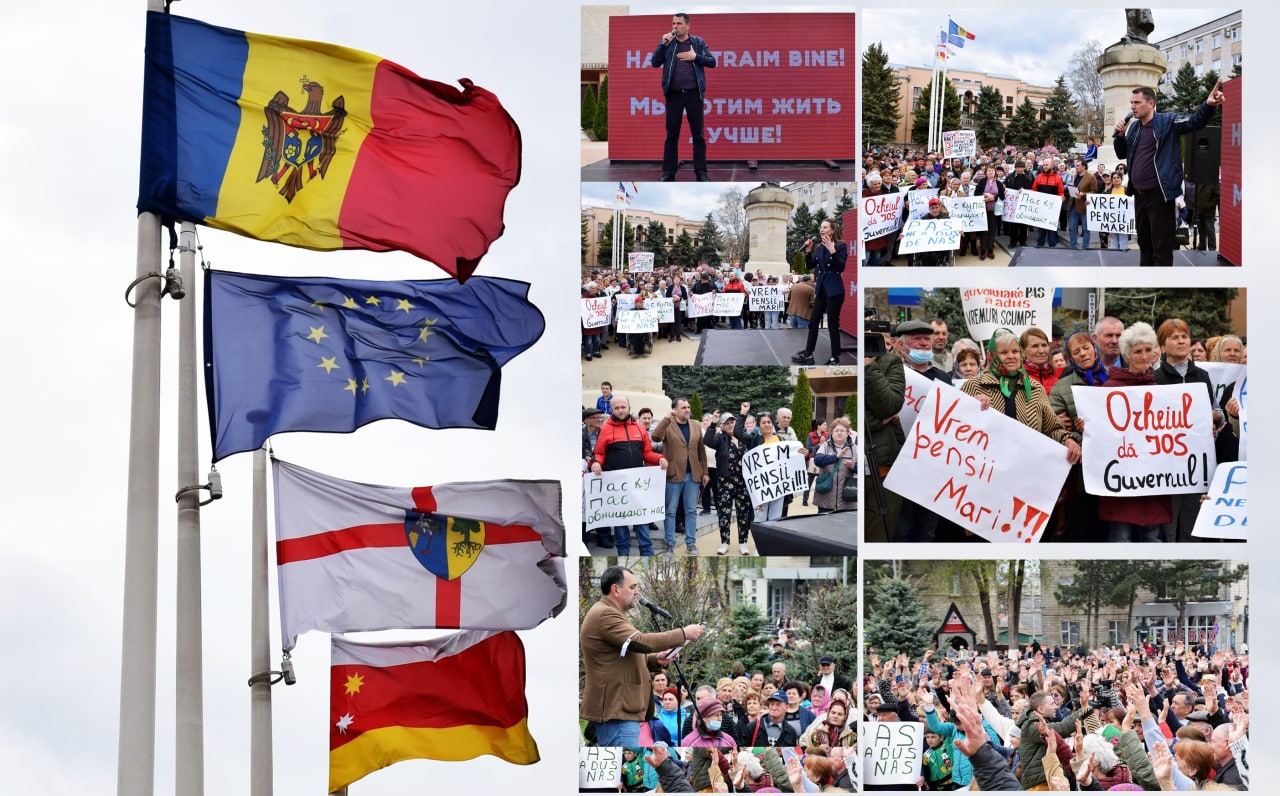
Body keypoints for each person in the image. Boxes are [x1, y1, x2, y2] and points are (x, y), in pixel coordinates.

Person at [579, 565, 704, 746]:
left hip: (621, 710)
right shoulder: (605, 614)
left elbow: (625, 654)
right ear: (615, 589)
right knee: (622, 763)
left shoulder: (612, 612)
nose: (637, 592)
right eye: (632, 587)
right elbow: (639, 641)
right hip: (617, 711)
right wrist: (682, 634)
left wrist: (656, 659)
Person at [1113, 83, 1224, 266]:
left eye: (1137, 102)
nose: (1132, 106)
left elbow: (1195, 121)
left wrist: (1209, 105)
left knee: (1161, 246)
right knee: (1145, 243)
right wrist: (1119, 137)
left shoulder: (1167, 122)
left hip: (1160, 196)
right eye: (1131, 102)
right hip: (1140, 196)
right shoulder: (1133, 128)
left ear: (1151, 103)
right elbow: (1122, 154)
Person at [962, 329, 1082, 467]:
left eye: (1014, 351)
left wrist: (1068, 440)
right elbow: (955, 425)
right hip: (984, 469)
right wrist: (970, 406)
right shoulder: (974, 386)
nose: (1011, 356)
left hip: (1025, 469)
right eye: (1003, 352)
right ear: (992, 356)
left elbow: (1052, 429)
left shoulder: (1034, 388)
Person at [1153, 317, 1220, 542]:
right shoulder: (1155, 378)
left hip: (1196, 464)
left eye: (1184, 336)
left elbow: (1216, 411)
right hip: (1166, 466)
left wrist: (1215, 419)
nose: (1181, 341)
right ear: (1162, 346)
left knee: (1193, 525)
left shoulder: (1202, 376)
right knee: (1168, 525)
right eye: (1174, 338)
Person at [590, 396, 668, 556]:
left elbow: (647, 453)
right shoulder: (606, 429)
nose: (620, 410)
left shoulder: (639, 428)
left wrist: (660, 458)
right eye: (616, 408)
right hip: (618, 488)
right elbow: (599, 453)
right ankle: (623, 554)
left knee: (642, 524)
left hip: (637, 485)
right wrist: (595, 463)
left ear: (629, 407)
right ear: (611, 410)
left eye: (623, 407)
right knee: (620, 527)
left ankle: (647, 553)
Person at [650, 13, 716, 182]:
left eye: (679, 23)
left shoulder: (698, 42)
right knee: (671, 135)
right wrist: (662, 45)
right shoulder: (667, 43)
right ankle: (668, 172)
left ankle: (701, 172)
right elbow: (655, 62)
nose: (675, 26)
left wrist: (695, 57)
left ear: (688, 26)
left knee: (698, 135)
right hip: (674, 95)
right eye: (673, 23)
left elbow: (712, 61)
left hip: (694, 94)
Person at [651, 396, 710, 555]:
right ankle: (669, 543)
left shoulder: (696, 425)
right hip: (673, 475)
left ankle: (691, 543)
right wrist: (666, 419)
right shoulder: (668, 425)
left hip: (693, 476)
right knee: (670, 511)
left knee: (691, 511)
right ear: (675, 410)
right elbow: (655, 437)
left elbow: (701, 450)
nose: (688, 410)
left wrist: (705, 471)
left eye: (688, 407)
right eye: (683, 408)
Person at [791, 219, 848, 366]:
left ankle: (835, 357)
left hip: (835, 291)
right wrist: (808, 252)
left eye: (825, 227)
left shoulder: (841, 245)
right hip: (821, 290)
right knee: (813, 321)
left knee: (832, 325)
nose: (821, 229)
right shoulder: (820, 247)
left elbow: (840, 267)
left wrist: (832, 250)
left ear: (833, 230)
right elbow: (810, 265)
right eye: (820, 227)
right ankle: (808, 353)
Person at [703, 409, 754, 555]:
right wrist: (713, 423)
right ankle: (724, 542)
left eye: (733, 422)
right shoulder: (720, 439)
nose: (731, 425)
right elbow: (707, 440)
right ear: (723, 426)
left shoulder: (744, 438)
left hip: (743, 482)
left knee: (743, 513)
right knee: (724, 512)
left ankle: (743, 542)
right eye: (727, 423)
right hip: (725, 481)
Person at [812, 417, 855, 513]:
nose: (839, 433)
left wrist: (853, 466)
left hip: (847, 498)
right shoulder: (825, 446)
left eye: (842, 431)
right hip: (826, 497)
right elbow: (817, 460)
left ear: (848, 433)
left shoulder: (854, 448)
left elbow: (863, 469)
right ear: (832, 433)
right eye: (836, 431)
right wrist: (836, 457)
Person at [974, 165, 1005, 259]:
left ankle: (990, 249)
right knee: (984, 230)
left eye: (992, 170)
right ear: (986, 173)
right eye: (989, 170)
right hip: (983, 210)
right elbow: (976, 193)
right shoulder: (982, 182)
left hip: (994, 211)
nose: (991, 172)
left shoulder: (999, 183)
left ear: (995, 172)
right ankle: (983, 250)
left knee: (992, 230)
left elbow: (1002, 196)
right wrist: (985, 195)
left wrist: (993, 198)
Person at [1031, 158, 1064, 248]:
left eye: (1047, 165)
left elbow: (1061, 192)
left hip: (1053, 209)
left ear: (1051, 166)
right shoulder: (1039, 177)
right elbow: (1034, 190)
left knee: (1052, 228)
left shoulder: (1057, 178)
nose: (1045, 166)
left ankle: (1052, 246)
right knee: (1041, 227)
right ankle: (1040, 244)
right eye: (1044, 165)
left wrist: (1062, 198)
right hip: (1041, 208)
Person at [1066, 159, 1097, 250]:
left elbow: (1094, 192)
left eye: (1078, 165)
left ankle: (1085, 247)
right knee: (1072, 227)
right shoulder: (1075, 175)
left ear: (1084, 167)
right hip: (1074, 205)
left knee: (1086, 228)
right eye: (1076, 165)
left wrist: (1084, 194)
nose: (1076, 167)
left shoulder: (1091, 177)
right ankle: (1073, 246)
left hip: (1084, 206)